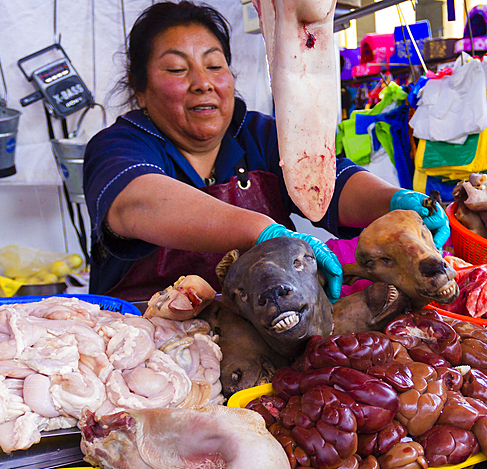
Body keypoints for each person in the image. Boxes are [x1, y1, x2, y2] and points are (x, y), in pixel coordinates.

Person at [83, 1, 448, 302]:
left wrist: (398, 203)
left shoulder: (259, 134)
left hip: (265, 330)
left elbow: (329, 182)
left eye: (214, 65)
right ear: (140, 87)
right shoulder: (117, 146)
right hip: (140, 346)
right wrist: (263, 232)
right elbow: (138, 203)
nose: (203, 83)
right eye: (178, 69)